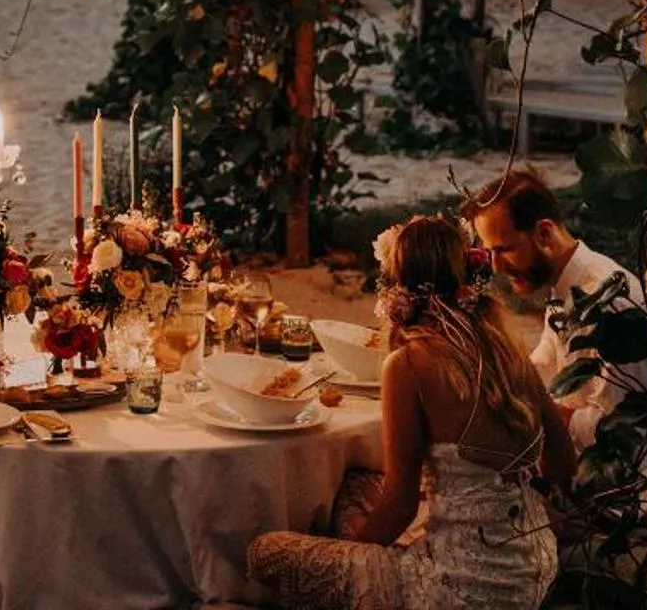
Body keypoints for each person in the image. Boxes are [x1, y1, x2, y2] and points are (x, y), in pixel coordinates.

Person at [245, 216, 572, 610]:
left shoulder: (409, 363)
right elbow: (562, 462)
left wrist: (348, 555)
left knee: (266, 552)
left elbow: (400, 507)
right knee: (357, 485)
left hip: (466, 586)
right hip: (534, 565)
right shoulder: (507, 347)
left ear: (397, 288)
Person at [462, 166, 647, 451]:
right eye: (490, 252)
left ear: (544, 233)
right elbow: (540, 370)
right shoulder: (564, 288)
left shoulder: (607, 302)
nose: (495, 266)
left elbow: (627, 428)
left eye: (503, 250)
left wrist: (546, 416)